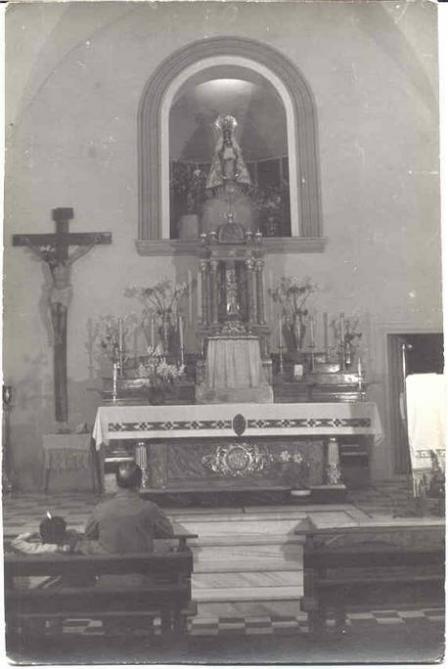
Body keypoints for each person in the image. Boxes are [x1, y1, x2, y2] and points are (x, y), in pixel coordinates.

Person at [83, 462, 174, 555]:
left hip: (109, 568)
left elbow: (88, 536)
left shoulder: (101, 509)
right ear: (139, 484)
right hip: (144, 567)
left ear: (116, 484)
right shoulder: (151, 509)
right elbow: (169, 533)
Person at [10, 514, 78, 555]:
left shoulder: (36, 549)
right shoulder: (68, 545)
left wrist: (31, 534)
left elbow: (15, 542)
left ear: (42, 535)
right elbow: (73, 532)